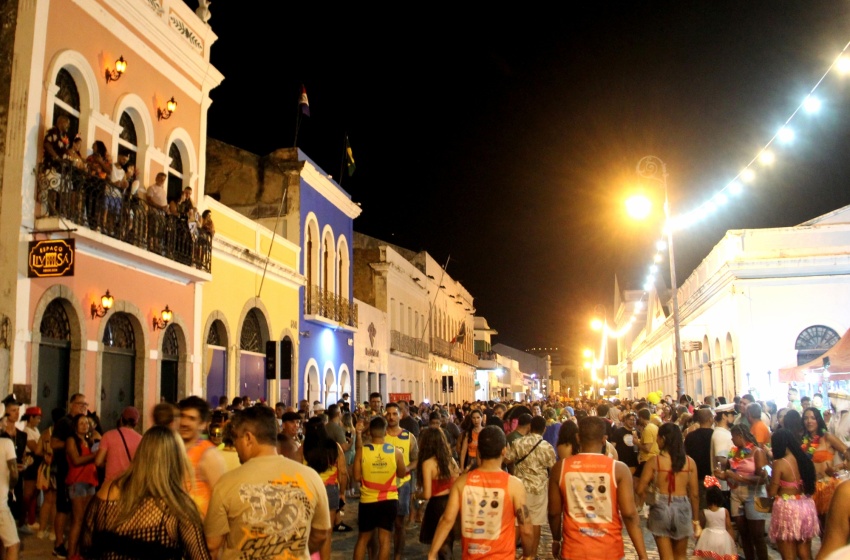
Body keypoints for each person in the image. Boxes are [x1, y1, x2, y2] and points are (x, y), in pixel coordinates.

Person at [205, 405, 330, 559]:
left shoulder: (226, 484)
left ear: (248, 438)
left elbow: (212, 545)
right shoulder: (311, 477)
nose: (235, 444)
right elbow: (321, 533)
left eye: (236, 437)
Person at [80, 426, 210, 560]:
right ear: (177, 461)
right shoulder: (178, 506)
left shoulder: (108, 490)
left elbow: (86, 546)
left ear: (141, 454)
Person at [548, 417, 648, 560]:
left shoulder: (560, 468)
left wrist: (556, 539)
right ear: (604, 439)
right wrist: (642, 555)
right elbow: (630, 515)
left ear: (578, 438)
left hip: (574, 550)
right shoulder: (619, 469)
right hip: (610, 550)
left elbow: (554, 513)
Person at [428, 426, 534, 560]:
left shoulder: (461, 483)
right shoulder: (514, 485)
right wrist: (528, 555)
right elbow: (526, 528)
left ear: (478, 451)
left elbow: (447, 520)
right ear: (504, 451)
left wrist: (432, 553)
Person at [637, 422, 699, 560]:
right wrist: (696, 520)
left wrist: (648, 498)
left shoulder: (654, 462)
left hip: (661, 507)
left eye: (658, 437)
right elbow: (694, 495)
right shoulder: (690, 463)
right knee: (680, 556)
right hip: (683, 508)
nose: (656, 441)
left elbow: (640, 489)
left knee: (666, 557)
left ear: (663, 439)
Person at [353, 415, 406, 560]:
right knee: (385, 539)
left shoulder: (362, 451)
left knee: (363, 538)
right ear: (385, 432)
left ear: (370, 432)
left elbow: (356, 477)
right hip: (389, 499)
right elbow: (402, 473)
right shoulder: (395, 451)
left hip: (367, 500)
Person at [715, 424, 769, 560]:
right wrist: (722, 475)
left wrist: (739, 477)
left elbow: (763, 478)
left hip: (756, 494)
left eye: (733, 437)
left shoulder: (757, 452)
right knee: (744, 534)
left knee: (758, 535)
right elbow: (730, 473)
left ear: (740, 436)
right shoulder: (733, 452)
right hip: (736, 495)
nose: (732, 440)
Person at [505, 415, 556, 558]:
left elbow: (507, 459)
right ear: (544, 429)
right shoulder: (547, 447)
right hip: (538, 489)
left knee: (517, 522)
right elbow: (553, 468)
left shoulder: (518, 442)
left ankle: (509, 553)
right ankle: (531, 555)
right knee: (536, 522)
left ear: (530, 427)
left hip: (520, 488)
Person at [767, 428, 819, 560]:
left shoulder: (779, 463)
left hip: (786, 509)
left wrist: (767, 479)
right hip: (805, 506)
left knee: (788, 555)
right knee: (805, 553)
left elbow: (772, 492)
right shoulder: (804, 459)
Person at [178, 396, 225, 519]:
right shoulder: (172, 448)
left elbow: (221, 499)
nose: (184, 423)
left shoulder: (209, 454)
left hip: (200, 525)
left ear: (203, 424)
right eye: (182, 416)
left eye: (191, 418)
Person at [802, 406, 848, 532]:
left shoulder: (827, 437)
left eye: (813, 418)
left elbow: (847, 453)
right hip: (812, 488)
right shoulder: (804, 441)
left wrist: (837, 468)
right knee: (820, 530)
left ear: (818, 420)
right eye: (806, 418)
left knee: (830, 528)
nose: (809, 421)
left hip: (828, 487)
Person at [416, 426, 459, 560]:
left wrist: (416, 495)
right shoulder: (450, 460)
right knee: (448, 543)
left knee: (441, 547)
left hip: (437, 506)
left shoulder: (428, 463)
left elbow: (427, 494)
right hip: (452, 503)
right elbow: (458, 480)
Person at [383, 402, 418, 560]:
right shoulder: (380, 436)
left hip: (402, 484)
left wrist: (407, 468)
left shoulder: (409, 437)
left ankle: (398, 555)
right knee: (383, 524)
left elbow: (416, 459)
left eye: (394, 414)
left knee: (399, 523)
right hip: (382, 485)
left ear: (400, 415)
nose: (391, 417)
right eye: (388, 414)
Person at [65, 413, 99, 560]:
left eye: (87, 423)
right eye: (82, 423)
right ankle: (71, 554)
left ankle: (80, 552)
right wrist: (95, 455)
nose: (85, 426)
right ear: (75, 426)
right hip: (77, 482)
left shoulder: (89, 440)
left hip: (90, 481)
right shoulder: (71, 440)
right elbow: (76, 460)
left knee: (87, 519)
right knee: (78, 520)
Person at [94, 406, 142, 485]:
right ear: (136, 423)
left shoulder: (108, 435)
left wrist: (109, 463)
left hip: (111, 483)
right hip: (130, 483)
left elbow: (98, 462)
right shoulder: (141, 439)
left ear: (121, 419)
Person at [694, 481, 737, 560]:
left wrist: (697, 540)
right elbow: (729, 528)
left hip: (707, 538)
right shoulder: (724, 511)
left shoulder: (704, 512)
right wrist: (732, 542)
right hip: (723, 539)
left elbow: (701, 527)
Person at [685, 408, 716, 510]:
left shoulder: (690, 436)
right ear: (710, 419)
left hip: (694, 476)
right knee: (711, 505)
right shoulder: (714, 435)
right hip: (711, 476)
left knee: (697, 504)